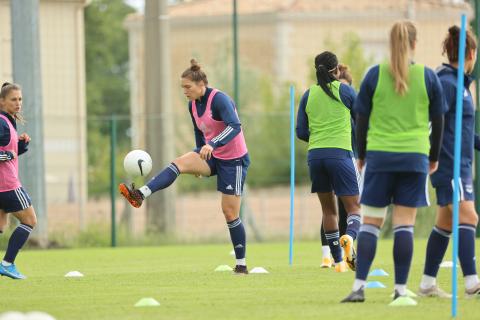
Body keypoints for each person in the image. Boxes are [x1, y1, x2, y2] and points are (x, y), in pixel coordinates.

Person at [341, 20, 445, 302]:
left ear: (390, 44)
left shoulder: (375, 75)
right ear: (414, 44)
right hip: (414, 158)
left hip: (380, 157)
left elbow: (361, 119)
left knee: (371, 224)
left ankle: (358, 287)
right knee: (404, 225)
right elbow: (439, 119)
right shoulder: (428, 76)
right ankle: (400, 290)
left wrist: (361, 155)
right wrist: (433, 158)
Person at [119, 59, 250, 274]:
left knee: (229, 212)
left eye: (188, 87)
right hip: (212, 155)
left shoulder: (220, 100)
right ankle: (140, 194)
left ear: (201, 85)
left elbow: (235, 126)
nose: (185, 91)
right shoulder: (192, 105)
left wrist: (212, 144)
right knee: (179, 162)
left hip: (234, 160)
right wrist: (200, 156)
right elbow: (200, 134)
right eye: (182, 88)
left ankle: (242, 265)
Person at [419, 26, 480, 298]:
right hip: (449, 165)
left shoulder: (461, 84)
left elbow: (461, 129)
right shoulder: (446, 82)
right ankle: (472, 284)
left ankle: (427, 284)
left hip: (462, 165)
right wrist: (436, 159)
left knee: (445, 223)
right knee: (468, 216)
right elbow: (434, 123)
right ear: (470, 53)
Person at [297, 52, 361, 273]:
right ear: (336, 71)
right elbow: (362, 119)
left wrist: (318, 137)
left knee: (328, 211)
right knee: (354, 208)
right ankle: (349, 238)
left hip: (315, 156)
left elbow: (301, 131)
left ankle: (338, 261)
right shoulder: (345, 90)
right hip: (341, 154)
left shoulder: (307, 95)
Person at [0, 82, 36, 280]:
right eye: (13, 99)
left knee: (1, 227)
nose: (18, 103)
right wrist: (8, 155)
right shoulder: (2, 122)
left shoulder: (8, 121)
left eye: (20, 99)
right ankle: (7, 264)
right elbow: (5, 156)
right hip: (7, 185)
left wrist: (20, 146)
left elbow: (9, 153)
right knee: (30, 220)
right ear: (2, 101)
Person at [319, 63, 353, 268]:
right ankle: (327, 256)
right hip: (335, 157)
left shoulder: (352, 113)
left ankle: (344, 252)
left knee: (344, 209)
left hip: (347, 159)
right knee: (329, 208)